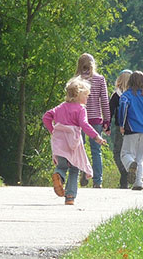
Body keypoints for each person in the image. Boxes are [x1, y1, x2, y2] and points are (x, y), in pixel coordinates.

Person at [42, 77, 107, 205]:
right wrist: (96, 137)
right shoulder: (80, 109)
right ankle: (70, 196)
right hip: (73, 143)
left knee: (61, 166)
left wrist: (53, 130)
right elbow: (84, 124)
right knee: (74, 168)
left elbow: (46, 117)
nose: (87, 98)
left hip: (59, 142)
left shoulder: (60, 107)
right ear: (78, 95)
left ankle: (58, 176)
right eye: (86, 95)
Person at [118, 71, 143, 190]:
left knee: (125, 154)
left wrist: (122, 124)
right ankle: (138, 182)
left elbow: (123, 109)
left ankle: (130, 164)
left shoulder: (126, 96)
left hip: (131, 129)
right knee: (140, 158)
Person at [75, 53, 111, 189]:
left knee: (80, 148)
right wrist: (107, 120)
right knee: (96, 150)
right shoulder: (100, 79)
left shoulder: (76, 80)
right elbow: (105, 101)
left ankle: (83, 172)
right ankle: (98, 181)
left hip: (78, 118)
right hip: (95, 118)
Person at [108, 69, 132, 189]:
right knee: (129, 153)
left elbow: (110, 112)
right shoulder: (135, 95)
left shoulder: (116, 95)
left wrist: (107, 126)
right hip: (134, 128)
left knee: (117, 153)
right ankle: (127, 179)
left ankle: (124, 173)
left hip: (120, 127)